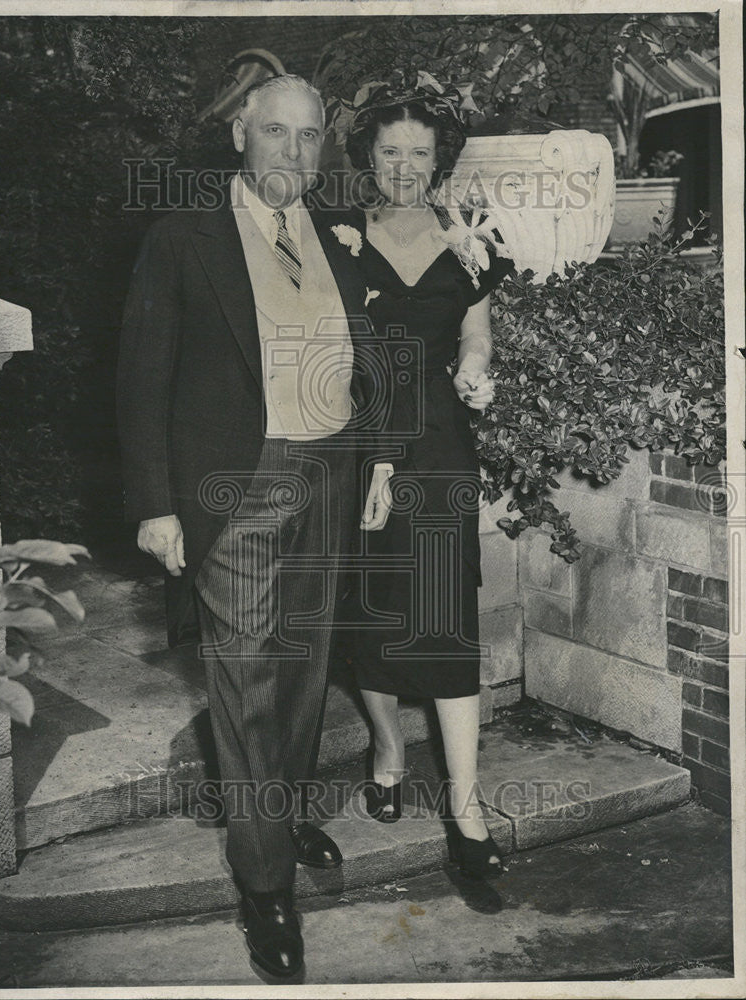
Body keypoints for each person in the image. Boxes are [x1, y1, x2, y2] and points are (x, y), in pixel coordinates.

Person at [117, 74, 392, 978]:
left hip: (330, 468)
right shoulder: (181, 238)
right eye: (275, 133)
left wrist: (377, 458)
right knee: (246, 673)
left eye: (310, 137)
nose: (293, 153)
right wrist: (156, 503)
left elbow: (371, 355)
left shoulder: (338, 239)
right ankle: (263, 882)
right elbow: (142, 375)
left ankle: (281, 809)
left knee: (307, 659)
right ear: (240, 133)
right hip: (235, 482)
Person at [343, 87, 515, 912]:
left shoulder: (468, 240)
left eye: (418, 152)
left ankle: (465, 806)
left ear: (436, 158)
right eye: (389, 153)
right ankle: (386, 755)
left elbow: (475, 331)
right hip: (359, 445)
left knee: (445, 614)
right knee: (371, 613)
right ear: (367, 160)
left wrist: (475, 374)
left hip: (440, 448)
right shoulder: (335, 240)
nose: (405, 167)